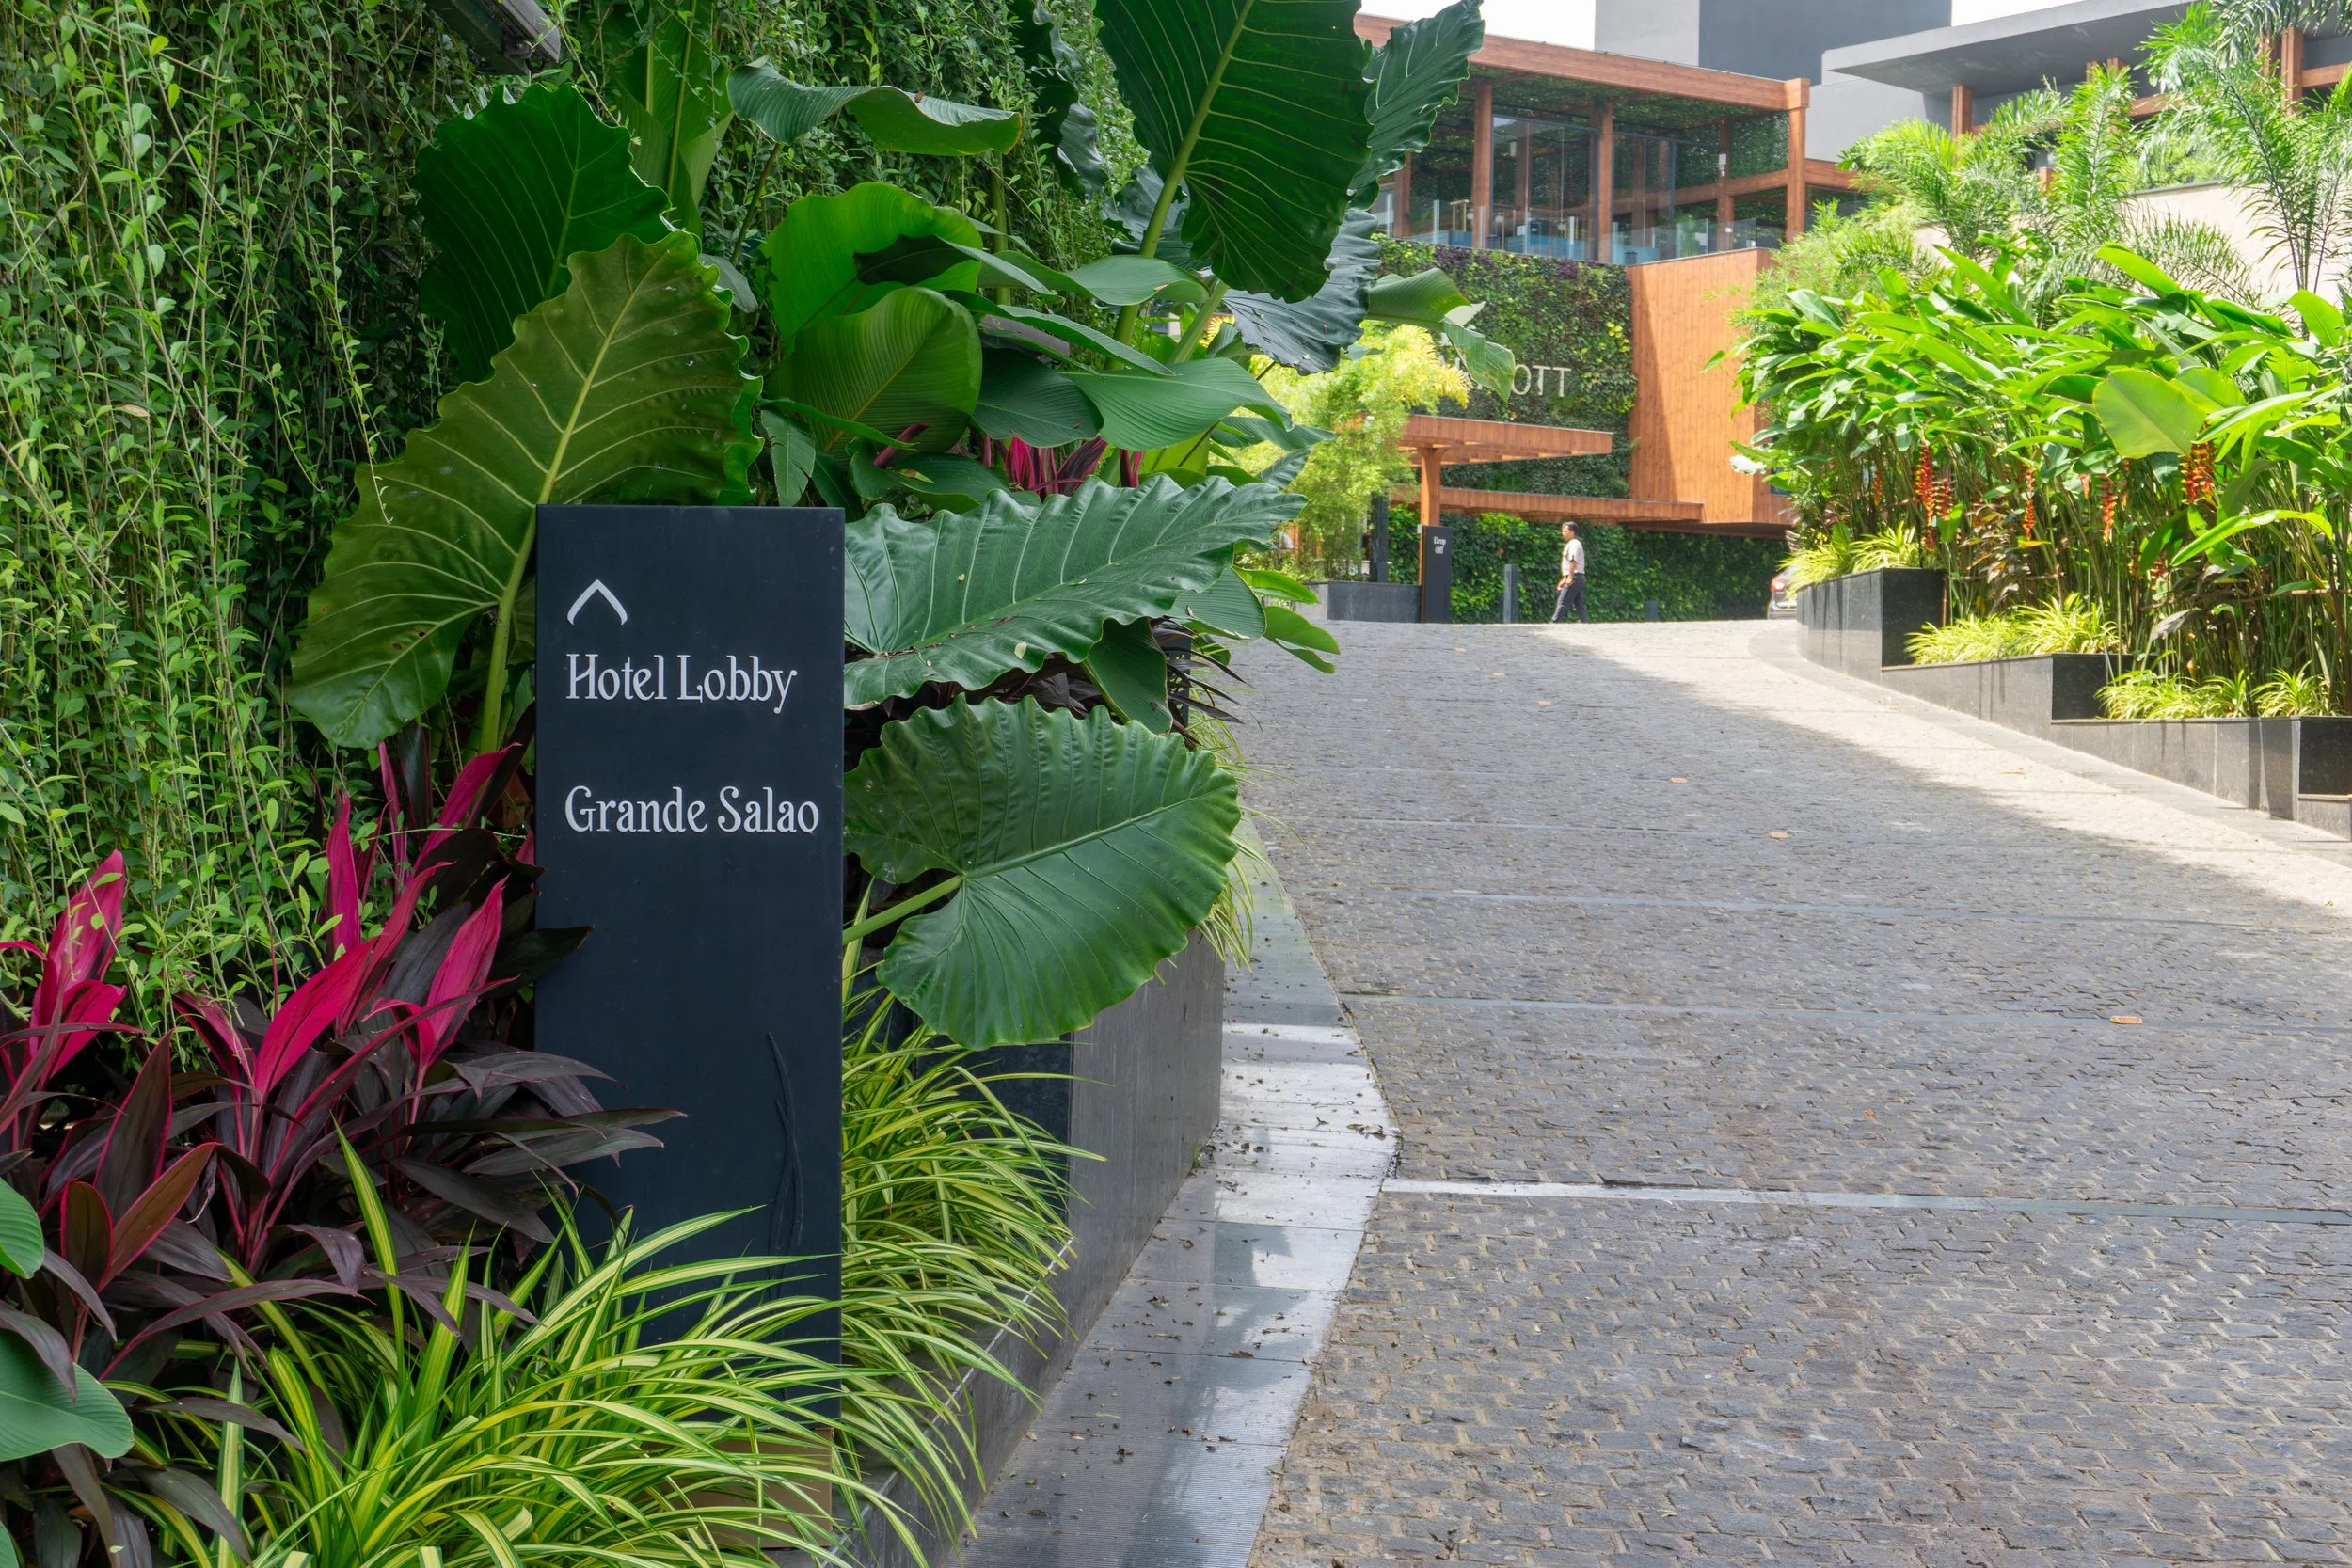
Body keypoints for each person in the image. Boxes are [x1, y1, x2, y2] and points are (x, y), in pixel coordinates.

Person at [1551, 521, 1587, 624]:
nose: (1563, 533)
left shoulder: (1574, 544)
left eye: (1565, 531)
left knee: (1563, 601)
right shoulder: (1572, 544)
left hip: (1575, 576)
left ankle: (1554, 622)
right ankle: (1585, 623)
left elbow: (1573, 560)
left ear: (1572, 532)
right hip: (1577, 576)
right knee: (1578, 602)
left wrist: (1570, 577)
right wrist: (1564, 578)